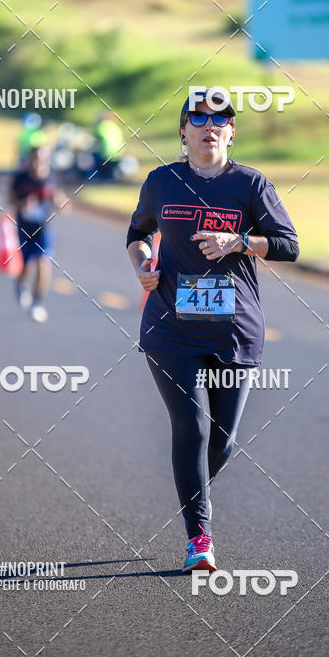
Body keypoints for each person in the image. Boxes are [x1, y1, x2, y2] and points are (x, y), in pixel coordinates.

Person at [126, 89, 299, 574]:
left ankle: (193, 493)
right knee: (193, 427)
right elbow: (137, 234)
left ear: (231, 132)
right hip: (171, 329)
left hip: (234, 331)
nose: (209, 126)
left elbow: (288, 245)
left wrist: (238, 241)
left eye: (219, 119)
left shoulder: (251, 185)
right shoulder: (162, 182)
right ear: (183, 131)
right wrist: (142, 264)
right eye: (198, 118)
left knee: (221, 441)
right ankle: (198, 538)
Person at [8, 142, 64, 323]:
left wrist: (60, 203)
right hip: (24, 229)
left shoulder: (50, 179)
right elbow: (10, 200)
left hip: (44, 229)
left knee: (43, 263)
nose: (38, 163)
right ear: (30, 160)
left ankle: (37, 303)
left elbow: (60, 201)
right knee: (26, 266)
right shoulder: (20, 178)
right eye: (35, 159)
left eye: (42, 160)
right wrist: (22, 204)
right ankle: (20, 284)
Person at [93, 112, 123, 181]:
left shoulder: (101, 126)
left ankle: (99, 178)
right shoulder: (116, 126)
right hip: (118, 153)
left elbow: (97, 139)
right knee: (111, 168)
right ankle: (112, 178)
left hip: (106, 154)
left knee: (94, 158)